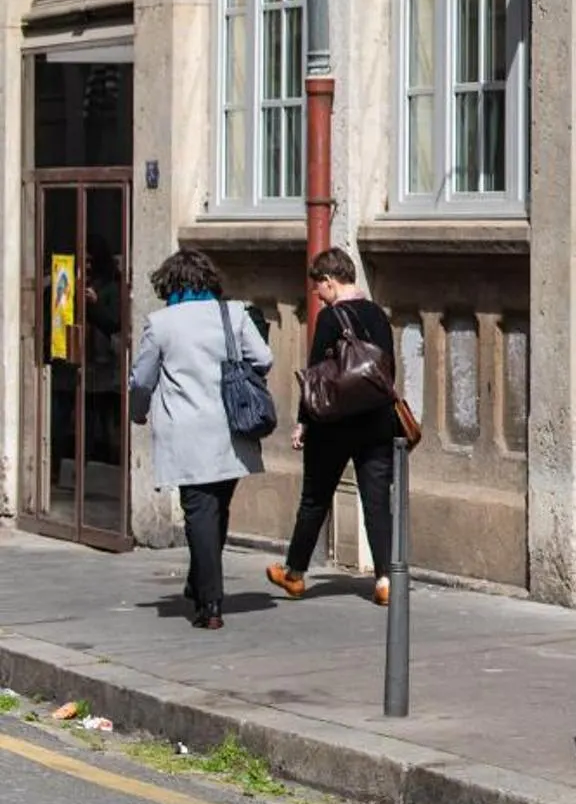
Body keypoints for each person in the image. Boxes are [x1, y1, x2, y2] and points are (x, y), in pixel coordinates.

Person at [129, 247, 272, 629]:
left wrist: (137, 411)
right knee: (216, 510)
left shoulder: (161, 324)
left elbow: (142, 379)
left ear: (170, 283)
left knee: (200, 513)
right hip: (232, 426)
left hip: (187, 432)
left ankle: (210, 603)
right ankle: (199, 583)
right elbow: (265, 358)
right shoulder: (233, 312)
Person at [266, 247, 400, 605]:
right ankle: (385, 579)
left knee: (314, 499)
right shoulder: (379, 316)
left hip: (333, 426)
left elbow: (316, 379)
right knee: (376, 502)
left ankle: (294, 574)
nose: (315, 294)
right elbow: (388, 372)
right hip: (377, 422)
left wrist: (302, 424)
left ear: (329, 281)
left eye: (317, 287)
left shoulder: (330, 319)